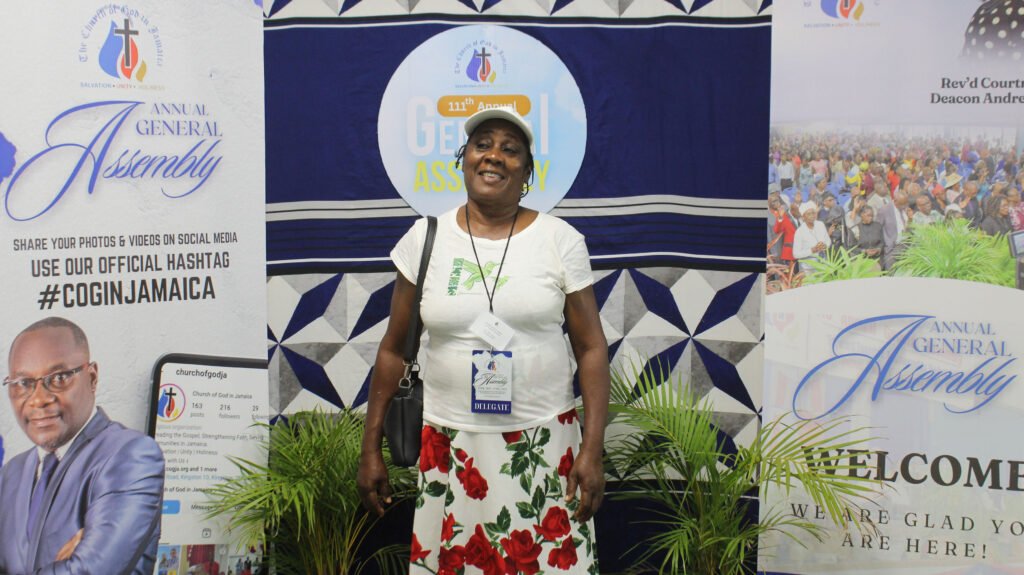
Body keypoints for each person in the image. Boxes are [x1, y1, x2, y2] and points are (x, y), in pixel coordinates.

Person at [357, 107, 608, 574]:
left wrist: (592, 450)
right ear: (464, 158)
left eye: (510, 150)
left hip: (543, 443)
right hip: (450, 446)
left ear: (527, 172)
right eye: (482, 144)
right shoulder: (426, 238)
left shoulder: (560, 240)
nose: (493, 156)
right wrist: (370, 449)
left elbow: (591, 348)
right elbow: (393, 350)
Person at [0, 316, 165, 574]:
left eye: (59, 378)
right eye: (23, 383)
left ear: (92, 377)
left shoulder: (131, 455)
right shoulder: (13, 472)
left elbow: (91, 570)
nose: (38, 399)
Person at [793, 206, 831, 273]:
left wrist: (825, 245)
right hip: (808, 268)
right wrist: (812, 250)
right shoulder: (799, 232)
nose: (812, 216)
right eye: (809, 214)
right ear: (803, 217)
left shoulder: (820, 224)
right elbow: (796, 254)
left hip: (823, 263)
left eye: (813, 213)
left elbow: (828, 241)